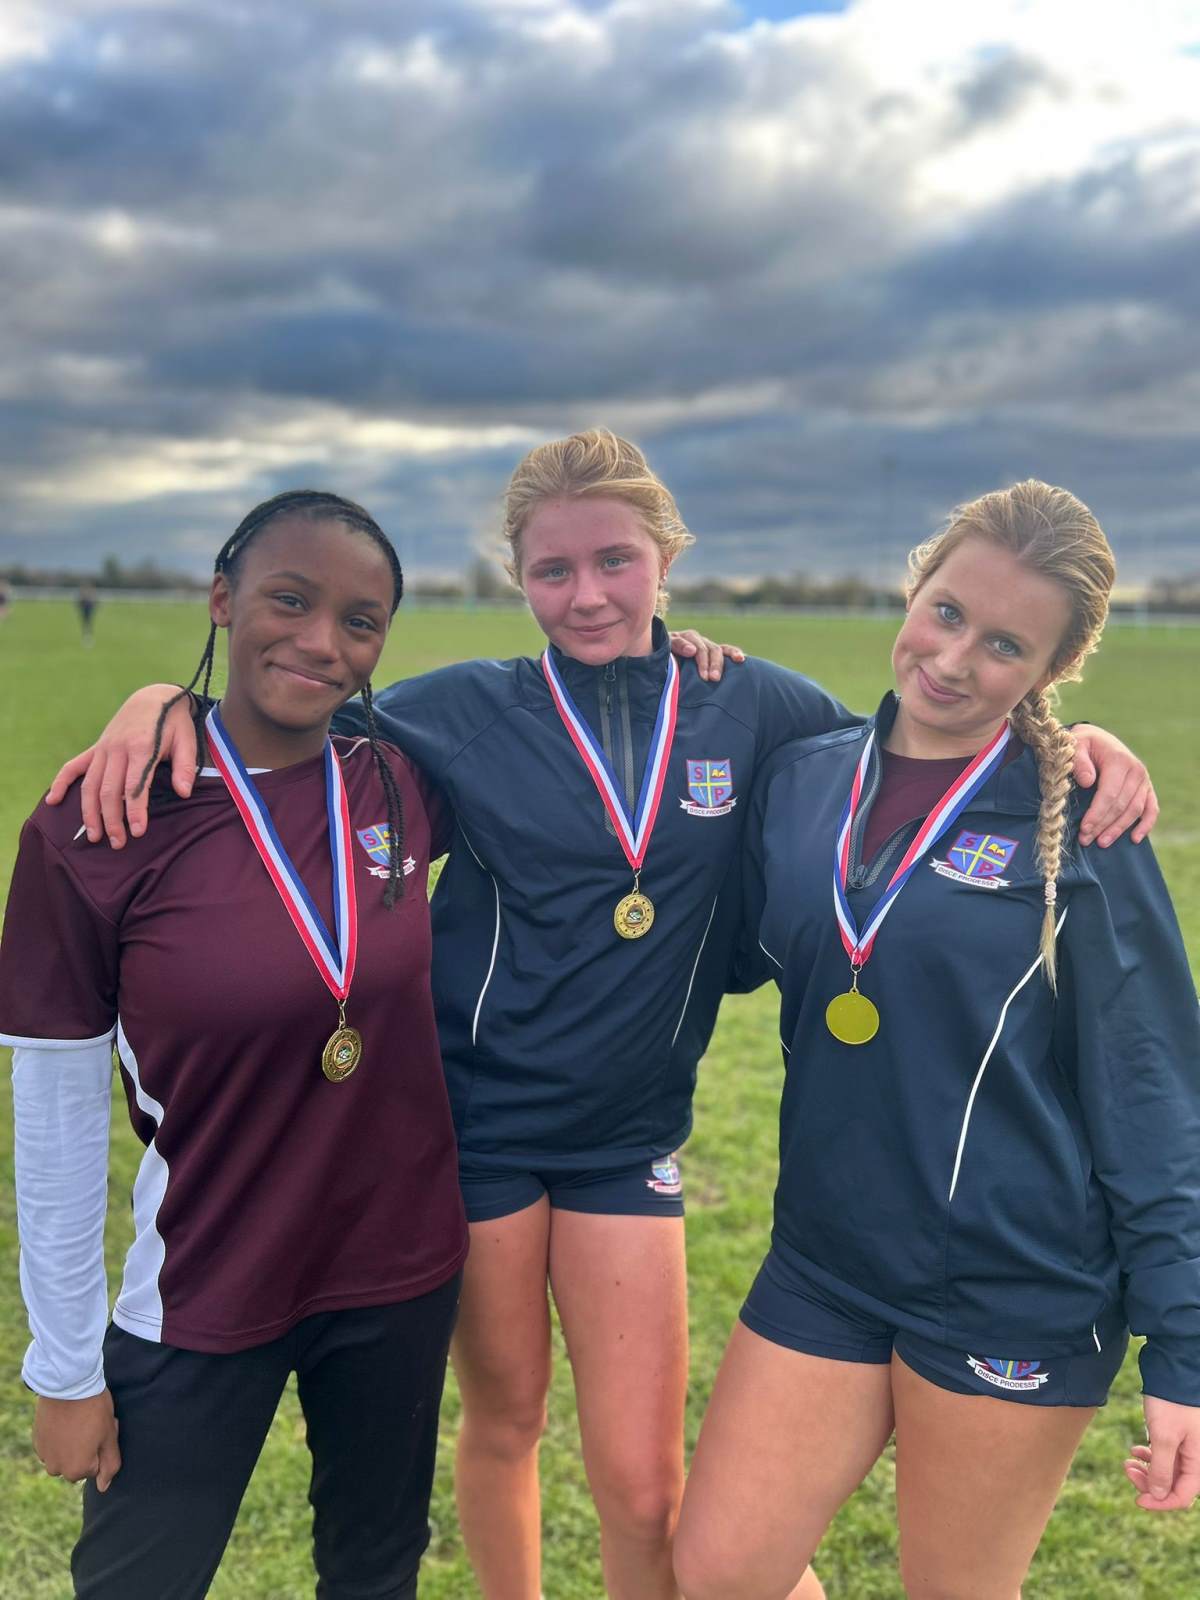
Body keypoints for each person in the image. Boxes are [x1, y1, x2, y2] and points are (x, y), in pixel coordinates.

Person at [43, 437, 1156, 1600]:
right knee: (505, 1421)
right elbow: (291, 729)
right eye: (554, 570)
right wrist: (159, 702)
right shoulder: (464, 709)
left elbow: (914, 751)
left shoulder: (752, 702)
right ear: (518, 576)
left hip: (628, 1140)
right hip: (476, 1139)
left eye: (615, 561)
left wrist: (1069, 743)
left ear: (666, 557)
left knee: (641, 1482)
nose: (587, 595)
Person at [672, 481, 1200, 1600]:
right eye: (948, 612)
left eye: (1005, 644)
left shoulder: (1084, 819)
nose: (954, 660)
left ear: (1053, 670)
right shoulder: (804, 779)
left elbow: (1151, 1092)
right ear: (916, 589)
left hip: (1014, 1285)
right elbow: (712, 948)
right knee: (721, 1571)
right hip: (828, 1258)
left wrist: (1186, 1350)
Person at [1, 490, 468, 1599]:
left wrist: (677, 647)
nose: (322, 642)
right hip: (204, 1284)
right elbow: (55, 1121)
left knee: (377, 1572)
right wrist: (63, 1367)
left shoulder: (398, 780)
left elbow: (566, 715)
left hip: (398, 1270)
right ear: (223, 599)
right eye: (289, 601)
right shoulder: (94, 827)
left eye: (360, 621)